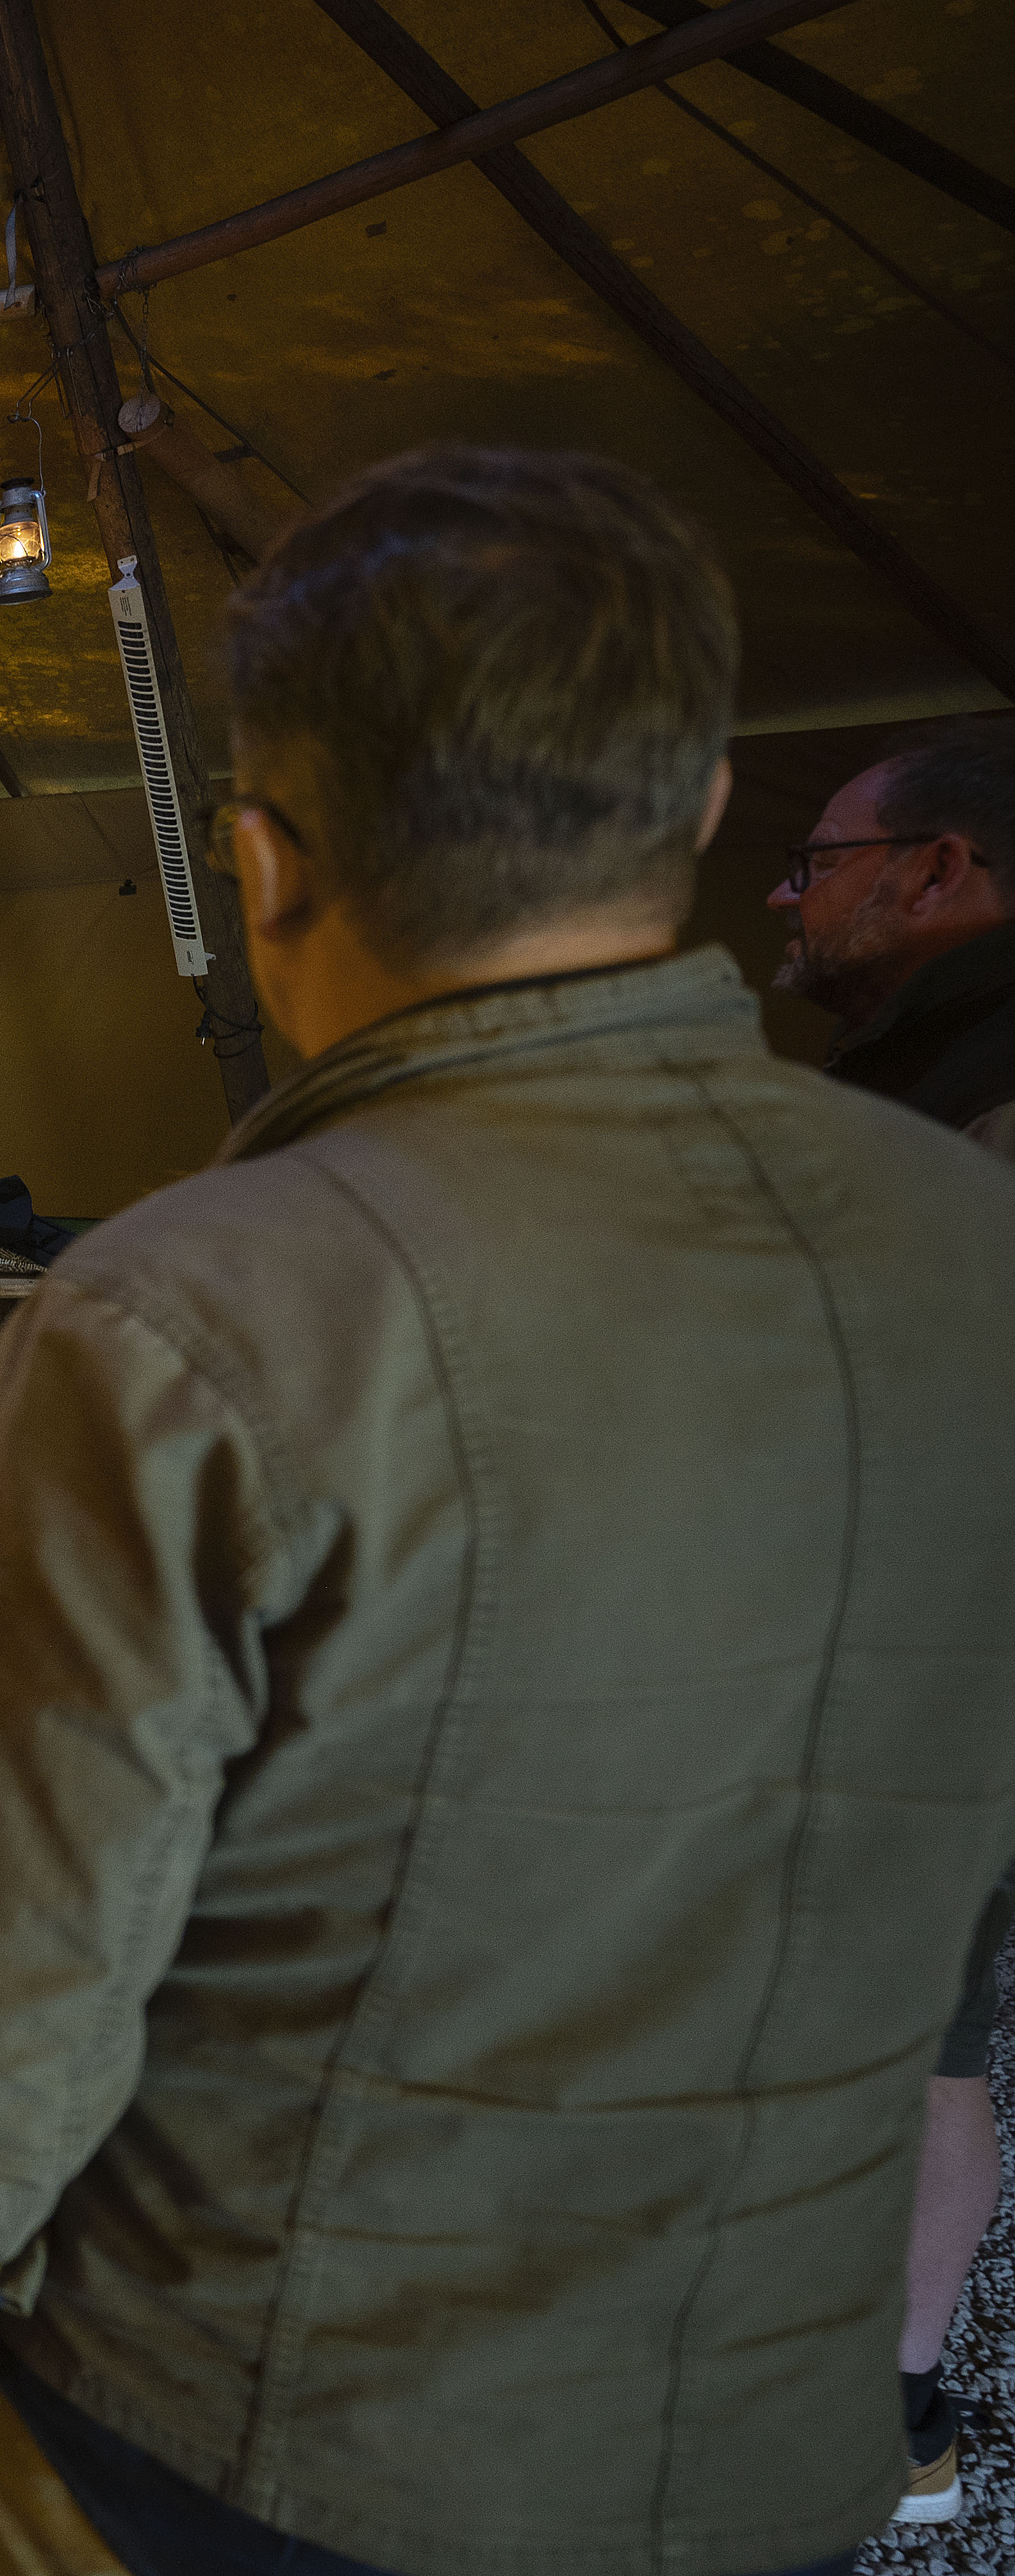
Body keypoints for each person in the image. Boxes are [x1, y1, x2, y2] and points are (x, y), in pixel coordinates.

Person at [0, 448, 1015, 2573]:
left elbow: (2, 1957)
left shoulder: (183, 1314)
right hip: (770, 2432)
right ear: (699, 809)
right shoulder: (965, 1237)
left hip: (254, 2449)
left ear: (266, 859)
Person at [772, 712, 1014, 2523]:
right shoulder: (928, 1068)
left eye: (824, 864)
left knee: (910, 2030)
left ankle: (882, 2415)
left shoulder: (983, 1085)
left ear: (943, 871)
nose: (792, 898)